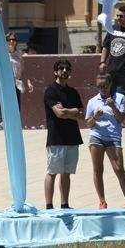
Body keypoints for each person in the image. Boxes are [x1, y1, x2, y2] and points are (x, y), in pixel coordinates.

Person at [84, 74, 125, 209]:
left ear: (110, 84)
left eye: (105, 86)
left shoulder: (120, 98)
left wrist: (113, 107)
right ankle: (102, 201)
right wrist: (95, 117)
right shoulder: (92, 101)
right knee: (97, 169)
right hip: (97, 136)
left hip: (113, 136)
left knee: (118, 168)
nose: (102, 89)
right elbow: (88, 124)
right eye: (99, 86)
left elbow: (122, 119)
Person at [43, 59, 84, 210]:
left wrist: (69, 111)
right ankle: (49, 205)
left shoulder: (73, 92)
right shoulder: (51, 91)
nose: (64, 71)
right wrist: (72, 111)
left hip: (72, 138)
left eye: (67, 68)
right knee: (52, 172)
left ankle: (64, 204)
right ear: (55, 72)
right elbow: (59, 114)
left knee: (66, 173)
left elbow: (81, 114)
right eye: (61, 68)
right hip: (56, 138)